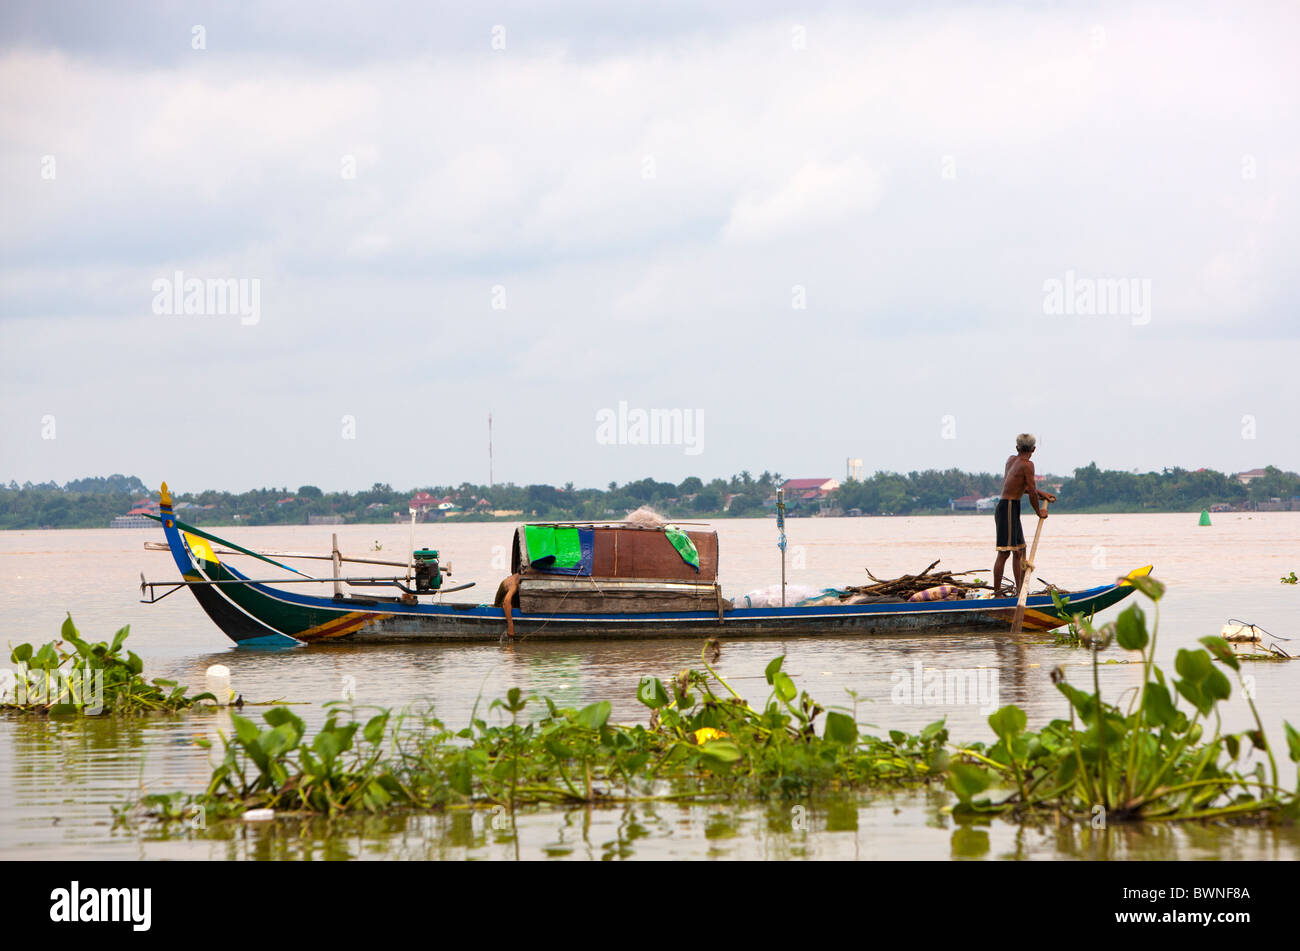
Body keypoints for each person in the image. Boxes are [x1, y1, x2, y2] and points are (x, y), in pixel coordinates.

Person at [993, 434, 1057, 596]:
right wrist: (1039, 512)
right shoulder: (1028, 465)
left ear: (1017, 448)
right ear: (1034, 449)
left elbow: (1025, 488)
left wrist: (1043, 494)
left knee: (1020, 551)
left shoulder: (1011, 460)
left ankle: (1020, 591)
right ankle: (998, 593)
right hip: (1007, 507)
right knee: (1004, 552)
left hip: (1009, 507)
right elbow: (1031, 491)